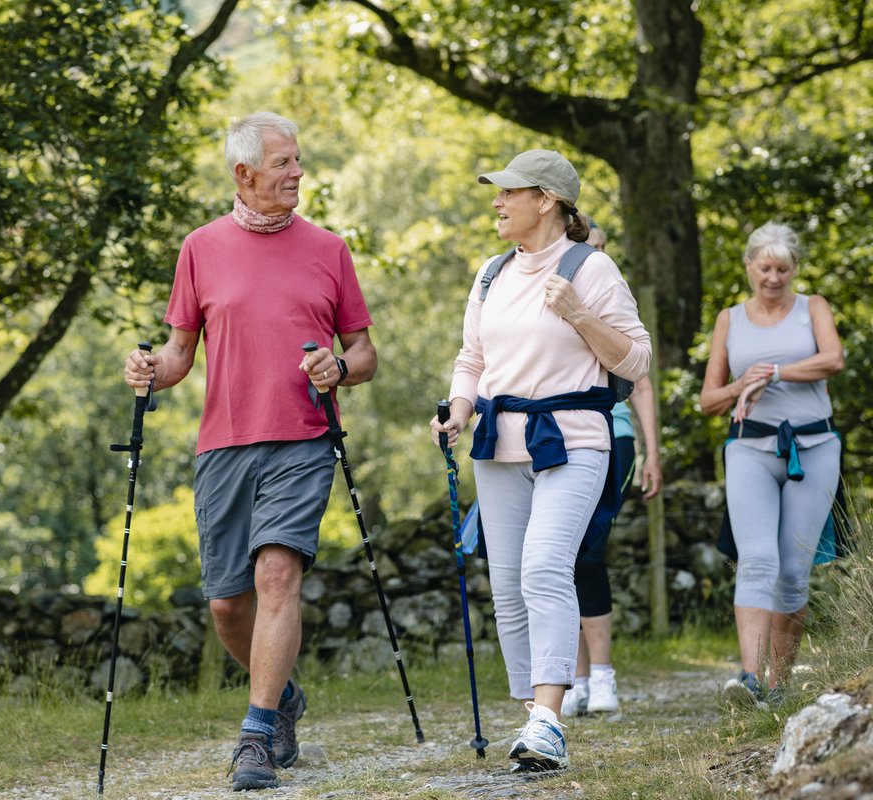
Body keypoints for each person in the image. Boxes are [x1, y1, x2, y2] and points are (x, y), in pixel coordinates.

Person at [123, 112, 376, 791]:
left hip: (303, 437)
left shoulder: (329, 249)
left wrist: (340, 370)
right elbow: (179, 353)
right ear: (245, 174)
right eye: (284, 163)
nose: (298, 173)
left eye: (297, 160)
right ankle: (286, 695)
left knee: (275, 577)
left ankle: (256, 735)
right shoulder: (200, 249)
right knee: (228, 604)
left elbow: (365, 351)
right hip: (225, 444)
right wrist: (150, 371)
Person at [430, 149, 650, 773]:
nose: (497, 202)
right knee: (506, 586)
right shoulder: (490, 274)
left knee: (545, 567)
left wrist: (578, 314)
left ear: (546, 200)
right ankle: (534, 715)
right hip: (499, 443)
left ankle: (550, 721)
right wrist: (459, 408)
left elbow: (635, 362)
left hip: (575, 440)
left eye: (509, 192)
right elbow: (471, 358)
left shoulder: (593, 269)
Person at [698, 222, 843, 705]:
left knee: (794, 570)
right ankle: (749, 679)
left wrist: (773, 372)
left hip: (815, 448)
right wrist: (744, 384)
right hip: (749, 450)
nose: (774, 277)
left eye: (783, 268)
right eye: (765, 267)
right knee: (757, 558)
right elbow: (709, 402)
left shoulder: (812, 309)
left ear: (794, 269)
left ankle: (779, 686)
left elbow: (833, 360)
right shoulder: (729, 319)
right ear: (749, 266)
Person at [562, 220, 663, 718]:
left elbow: (640, 381)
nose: (596, 256)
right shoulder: (544, 293)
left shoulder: (611, 296)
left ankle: (602, 677)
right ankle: (575, 679)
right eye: (588, 248)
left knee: (589, 552)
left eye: (603, 248)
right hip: (556, 434)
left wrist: (651, 452)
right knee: (561, 558)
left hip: (612, 434)